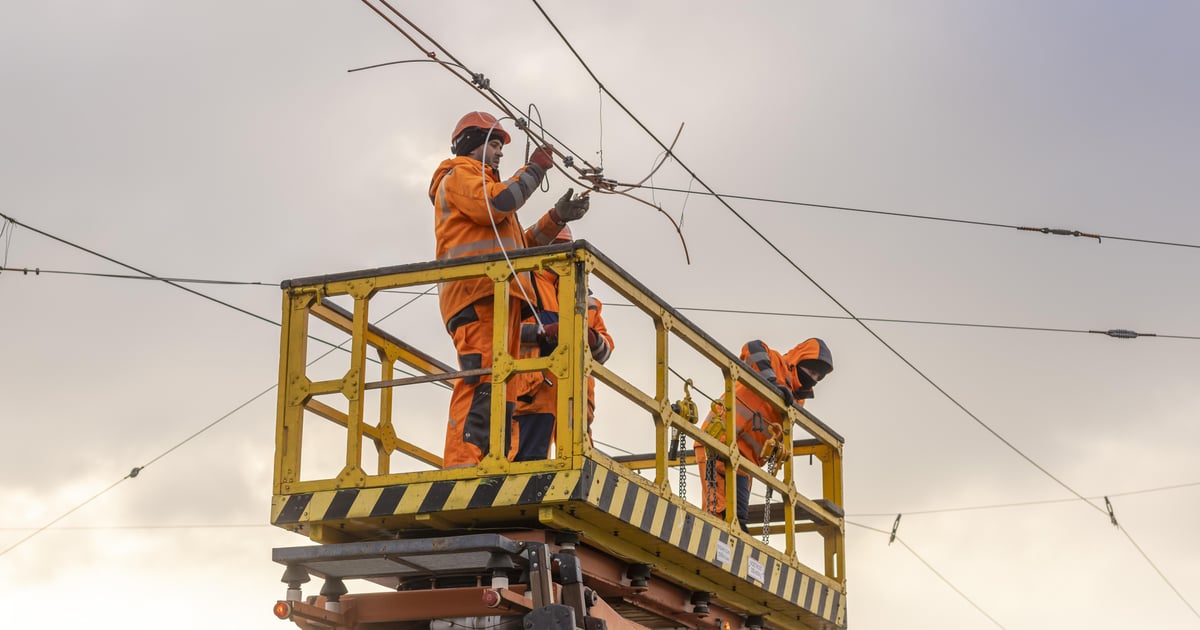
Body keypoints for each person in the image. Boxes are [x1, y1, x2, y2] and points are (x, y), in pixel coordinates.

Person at [431, 111, 590, 468]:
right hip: (477, 294)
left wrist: (556, 218)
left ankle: (492, 462)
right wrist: (534, 169)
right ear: (474, 144)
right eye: (495, 145)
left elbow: (521, 247)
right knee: (482, 379)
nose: (500, 152)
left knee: (501, 383)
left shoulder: (482, 186)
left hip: (498, 296)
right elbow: (501, 202)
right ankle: (462, 465)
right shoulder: (459, 175)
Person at [693, 338, 833, 529]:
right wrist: (772, 383)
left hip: (745, 461)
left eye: (818, 376)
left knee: (737, 520)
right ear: (799, 360)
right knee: (719, 513)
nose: (813, 378)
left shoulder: (797, 400)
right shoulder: (775, 361)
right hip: (718, 442)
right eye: (812, 371)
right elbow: (752, 347)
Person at [509, 225, 614, 461]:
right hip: (534, 394)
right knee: (526, 467)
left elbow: (605, 351)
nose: (562, 255)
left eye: (566, 249)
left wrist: (590, 337)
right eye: (556, 247)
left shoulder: (584, 298)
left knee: (579, 467)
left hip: (576, 401)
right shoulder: (523, 284)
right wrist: (542, 332)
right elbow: (501, 331)